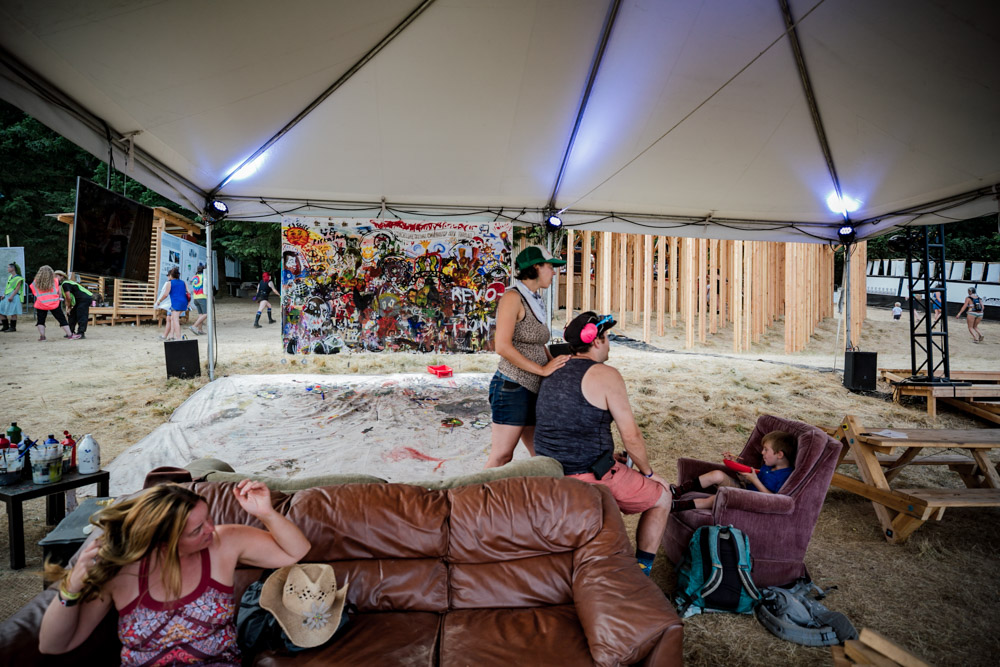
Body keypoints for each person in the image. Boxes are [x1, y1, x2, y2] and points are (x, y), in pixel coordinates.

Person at [38, 481, 311, 664]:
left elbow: (294, 552)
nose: (211, 530)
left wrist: (266, 513)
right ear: (162, 543)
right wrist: (70, 587)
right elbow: (54, 645)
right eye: (197, 530)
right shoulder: (119, 573)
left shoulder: (224, 542)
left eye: (208, 518)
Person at [534, 311, 671, 576]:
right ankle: (641, 572)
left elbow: (569, 425)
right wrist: (651, 474)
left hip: (551, 473)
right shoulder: (606, 374)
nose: (608, 343)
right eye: (607, 337)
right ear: (596, 341)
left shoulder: (553, 367)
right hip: (589, 476)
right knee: (662, 497)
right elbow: (631, 437)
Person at [485, 246, 570, 468]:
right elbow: (501, 346)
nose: (554, 272)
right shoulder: (513, 298)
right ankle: (469, 499)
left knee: (542, 456)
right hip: (512, 387)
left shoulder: (533, 298)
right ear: (535, 268)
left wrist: (554, 362)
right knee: (502, 456)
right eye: (550, 267)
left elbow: (538, 343)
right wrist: (542, 369)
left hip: (532, 388)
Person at [669, 431, 797, 511]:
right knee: (717, 474)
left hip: (749, 500)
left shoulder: (786, 476)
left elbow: (774, 499)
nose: (762, 453)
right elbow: (754, 473)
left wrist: (755, 480)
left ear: (780, 455)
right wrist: (733, 464)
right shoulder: (769, 466)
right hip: (744, 488)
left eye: (766, 450)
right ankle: (677, 491)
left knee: (716, 499)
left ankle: (676, 506)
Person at [30, 265, 75, 341]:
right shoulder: (55, 281)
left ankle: (42, 337)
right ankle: (70, 335)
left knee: (41, 321)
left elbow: (34, 292)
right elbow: (59, 292)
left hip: (41, 303)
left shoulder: (35, 283)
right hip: (54, 303)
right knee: (62, 319)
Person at [54, 271, 94, 339]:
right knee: (72, 314)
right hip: (79, 299)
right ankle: (70, 332)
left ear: (62, 276)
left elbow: (68, 297)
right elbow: (69, 297)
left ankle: (81, 333)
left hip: (84, 298)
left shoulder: (65, 284)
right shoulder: (65, 283)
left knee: (81, 314)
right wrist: (70, 307)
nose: (55, 278)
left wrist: (69, 307)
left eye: (56, 276)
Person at [155, 267, 190, 341]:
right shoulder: (183, 282)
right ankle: (172, 336)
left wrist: (159, 301)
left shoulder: (169, 283)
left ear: (171, 275)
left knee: (175, 320)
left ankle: (178, 338)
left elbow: (165, 294)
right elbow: (188, 293)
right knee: (173, 318)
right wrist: (188, 303)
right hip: (184, 303)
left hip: (176, 303)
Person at [0, 261, 25, 333]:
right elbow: (8, 287)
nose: (7, 268)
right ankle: (5, 326)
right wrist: (4, 295)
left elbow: (17, 288)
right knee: (1, 310)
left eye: (8, 267)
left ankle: (13, 327)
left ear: (13, 268)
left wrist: (11, 296)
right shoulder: (10, 277)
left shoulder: (19, 278)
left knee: (13, 312)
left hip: (14, 296)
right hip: (7, 295)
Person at [189, 263, 208, 335]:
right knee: (206, 314)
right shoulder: (204, 277)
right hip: (202, 297)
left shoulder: (194, 277)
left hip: (195, 297)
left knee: (200, 314)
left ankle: (200, 330)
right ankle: (194, 326)